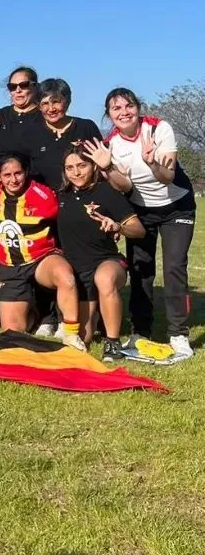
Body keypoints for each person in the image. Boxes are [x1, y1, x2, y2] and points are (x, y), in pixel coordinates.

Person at [88, 87, 196, 361]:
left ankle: (178, 335)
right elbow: (124, 186)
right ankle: (141, 332)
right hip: (142, 211)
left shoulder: (159, 129)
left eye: (129, 106)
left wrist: (151, 163)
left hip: (176, 206)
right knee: (141, 270)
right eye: (116, 109)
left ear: (138, 107)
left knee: (174, 268)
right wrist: (108, 167)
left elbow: (167, 178)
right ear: (109, 114)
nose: (124, 112)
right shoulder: (111, 144)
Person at [0, 152, 84, 350]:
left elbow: (69, 218)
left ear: (27, 172)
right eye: (7, 175)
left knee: (65, 277)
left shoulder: (44, 195)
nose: (14, 179)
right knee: (13, 333)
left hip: (42, 259)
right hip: (10, 267)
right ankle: (33, 313)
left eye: (18, 173)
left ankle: (71, 333)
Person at [58, 148, 145, 361]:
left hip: (107, 262)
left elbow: (139, 230)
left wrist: (118, 226)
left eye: (82, 166)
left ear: (94, 166)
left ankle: (113, 342)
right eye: (70, 168)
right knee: (83, 337)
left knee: (103, 278)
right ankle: (95, 314)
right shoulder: (60, 196)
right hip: (78, 272)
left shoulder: (108, 192)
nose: (76, 173)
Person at [29, 78, 102, 190]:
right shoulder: (32, 134)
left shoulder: (86, 127)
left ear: (67, 102)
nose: (51, 109)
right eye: (45, 104)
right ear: (39, 106)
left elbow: (100, 164)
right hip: (47, 201)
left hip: (85, 198)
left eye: (56, 102)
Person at [0, 66, 42, 156]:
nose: (18, 90)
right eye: (12, 87)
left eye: (23, 85)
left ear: (36, 86)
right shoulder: (2, 115)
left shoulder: (44, 116)